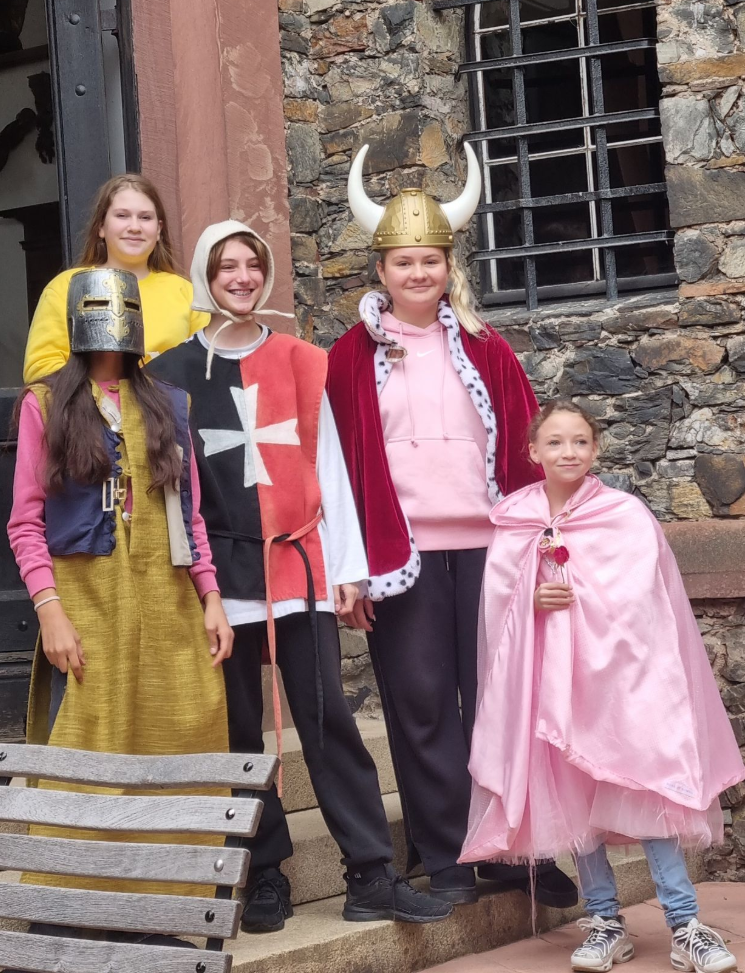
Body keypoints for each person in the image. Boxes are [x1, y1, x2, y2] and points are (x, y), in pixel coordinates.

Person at [148, 220, 450, 932]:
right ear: (206, 276)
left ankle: (370, 873)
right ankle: (264, 876)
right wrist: (191, 584)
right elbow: (169, 490)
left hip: (299, 565)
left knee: (328, 724)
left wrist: (346, 568)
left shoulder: (301, 360)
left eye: (253, 265)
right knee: (239, 731)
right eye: (227, 267)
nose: (243, 277)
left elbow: (330, 468)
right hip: (220, 579)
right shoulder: (168, 374)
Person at [327, 143, 577, 908]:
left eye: (429, 261)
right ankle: (444, 855)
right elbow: (335, 468)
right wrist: (348, 564)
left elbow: (528, 451)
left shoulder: (487, 347)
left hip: (489, 548)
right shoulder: (346, 358)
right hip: (398, 554)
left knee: (500, 700)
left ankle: (510, 847)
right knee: (422, 701)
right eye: (403, 262)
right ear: (380, 270)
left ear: (447, 266)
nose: (417, 273)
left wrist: (545, 548)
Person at [461, 399, 745, 972]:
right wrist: (532, 598)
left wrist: (586, 598)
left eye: (580, 441)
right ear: (533, 451)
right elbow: (496, 605)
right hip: (551, 687)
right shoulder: (514, 522)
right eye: (555, 442)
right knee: (573, 798)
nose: (568, 452)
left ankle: (685, 922)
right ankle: (604, 920)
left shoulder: (623, 514)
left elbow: (646, 598)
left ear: (595, 449)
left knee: (643, 787)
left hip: (619, 684)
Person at [7, 268, 232, 904]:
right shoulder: (45, 403)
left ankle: (165, 905)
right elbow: (25, 522)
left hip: (167, 600)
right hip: (87, 604)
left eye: (124, 302)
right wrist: (50, 611)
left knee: (174, 744)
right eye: (100, 303)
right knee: (86, 754)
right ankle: (69, 905)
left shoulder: (169, 403)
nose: (113, 316)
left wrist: (211, 597)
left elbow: (189, 514)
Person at [23, 173, 208, 383]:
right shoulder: (66, 287)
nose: (135, 227)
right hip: (87, 404)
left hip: (168, 404)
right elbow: (41, 368)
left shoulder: (186, 293)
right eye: (122, 215)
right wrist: (108, 394)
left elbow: (206, 367)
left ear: (158, 230)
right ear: (101, 227)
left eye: (145, 218)